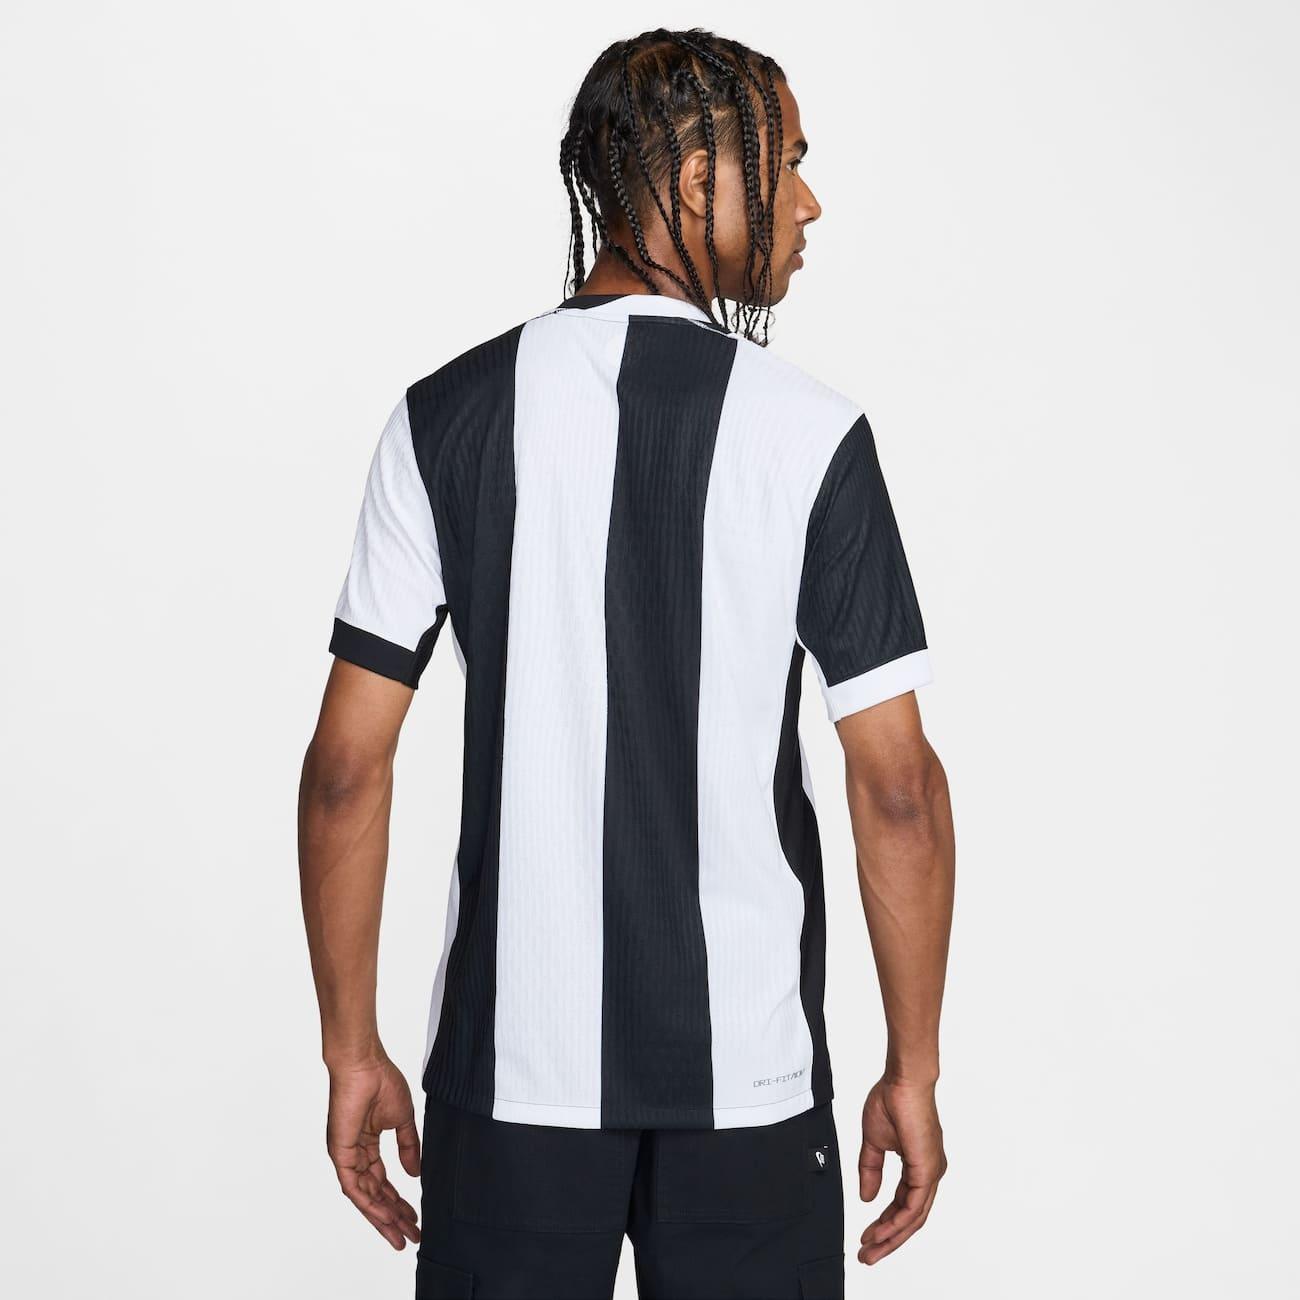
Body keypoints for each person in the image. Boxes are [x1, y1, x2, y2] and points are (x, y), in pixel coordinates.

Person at [298, 26, 955, 1300]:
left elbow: (343, 769)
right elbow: (898, 791)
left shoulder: (446, 417)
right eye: (787, 162)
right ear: (699, 178)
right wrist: (913, 1066)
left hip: (507, 1078)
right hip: (748, 1082)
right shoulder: (811, 436)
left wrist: (350, 1048)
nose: (809, 202)